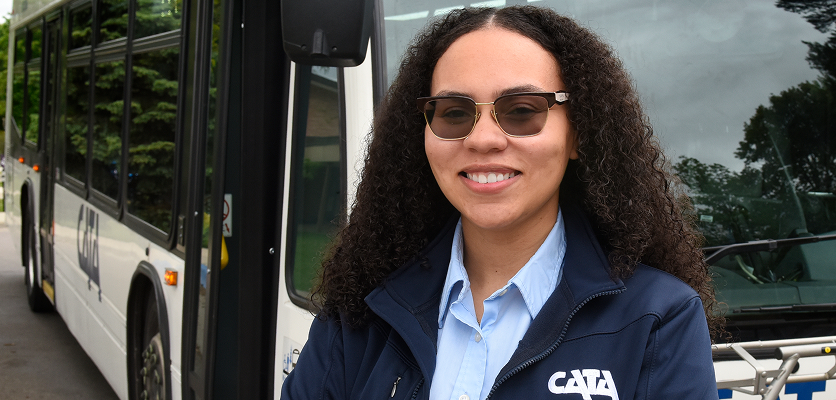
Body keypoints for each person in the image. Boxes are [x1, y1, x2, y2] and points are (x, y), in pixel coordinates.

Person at [282, 5, 719, 400]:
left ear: (578, 136)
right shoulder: (361, 310)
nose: (483, 139)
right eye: (454, 112)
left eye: (522, 110)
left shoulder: (659, 318)